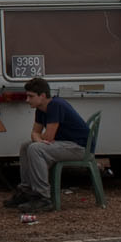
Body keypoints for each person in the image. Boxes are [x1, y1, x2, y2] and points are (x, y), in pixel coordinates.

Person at [8, 77, 92, 213]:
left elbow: (48, 137)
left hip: (79, 147)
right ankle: (26, 191)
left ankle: (42, 198)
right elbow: (34, 133)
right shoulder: (40, 109)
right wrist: (39, 140)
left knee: (36, 148)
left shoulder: (55, 105)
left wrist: (39, 140)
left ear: (42, 96)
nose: (27, 100)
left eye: (30, 96)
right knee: (26, 146)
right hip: (65, 144)